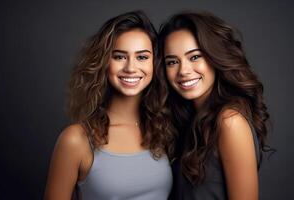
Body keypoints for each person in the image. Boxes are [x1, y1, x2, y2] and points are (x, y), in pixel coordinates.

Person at [44, 10, 174, 200]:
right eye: (119, 56)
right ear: (104, 62)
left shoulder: (163, 130)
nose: (130, 67)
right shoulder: (76, 139)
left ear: (155, 64)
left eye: (142, 57)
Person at [159, 11, 271, 200]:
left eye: (194, 57)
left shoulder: (229, 121)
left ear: (214, 56)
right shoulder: (187, 121)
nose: (183, 71)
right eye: (172, 62)